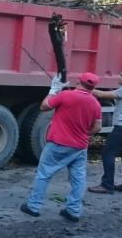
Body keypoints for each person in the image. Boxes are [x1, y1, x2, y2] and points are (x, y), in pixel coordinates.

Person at [20, 72, 102, 222]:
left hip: (58, 144)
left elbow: (44, 106)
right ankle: (73, 211)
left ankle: (33, 207)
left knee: (44, 174)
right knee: (78, 179)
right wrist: (85, 134)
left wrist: (53, 90)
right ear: (93, 87)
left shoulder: (67, 95)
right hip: (80, 147)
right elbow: (97, 127)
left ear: (79, 81)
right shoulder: (95, 103)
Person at [88, 68, 122, 195]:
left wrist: (85, 88)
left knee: (107, 153)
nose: (118, 77)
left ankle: (107, 185)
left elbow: (102, 95)